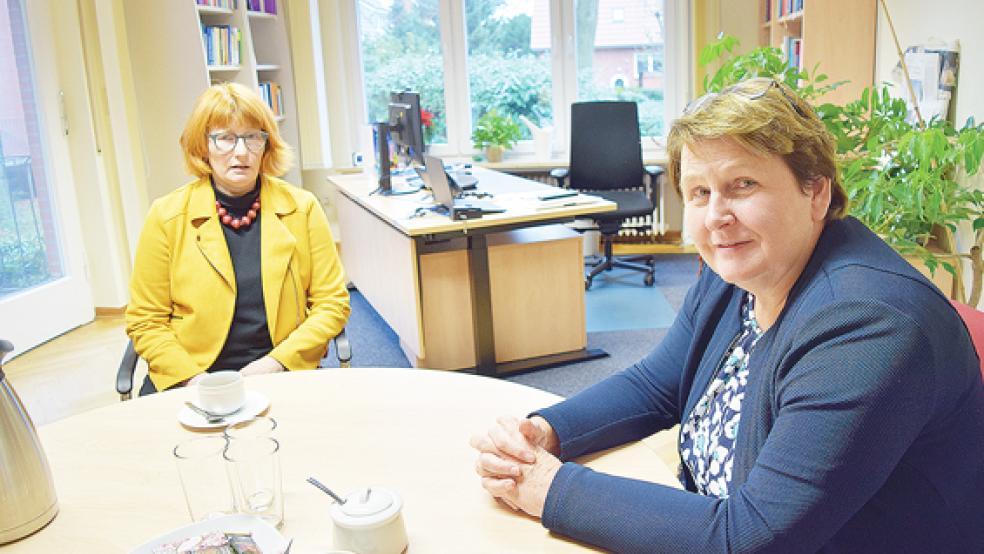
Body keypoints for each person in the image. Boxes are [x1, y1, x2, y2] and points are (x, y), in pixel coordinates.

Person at [469, 78, 984, 552]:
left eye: (743, 185)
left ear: (817, 192)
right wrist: (547, 432)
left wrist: (548, 488)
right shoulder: (740, 273)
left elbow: (750, 537)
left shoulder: (869, 327)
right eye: (699, 192)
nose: (717, 215)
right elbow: (657, 384)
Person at [126, 83, 350, 395]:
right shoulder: (166, 216)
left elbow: (332, 304)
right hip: (191, 378)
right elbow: (146, 321)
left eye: (252, 137)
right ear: (203, 146)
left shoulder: (303, 208)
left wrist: (276, 363)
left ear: (266, 145)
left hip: (279, 371)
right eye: (225, 139)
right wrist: (193, 379)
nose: (241, 152)